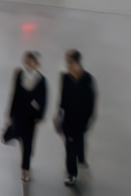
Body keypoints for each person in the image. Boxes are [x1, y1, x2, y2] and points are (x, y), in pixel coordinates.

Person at [4, 51, 47, 183]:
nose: (28, 64)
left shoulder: (41, 80)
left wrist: (39, 115)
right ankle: (13, 135)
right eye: (26, 61)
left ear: (36, 64)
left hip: (30, 117)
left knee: (27, 144)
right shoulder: (19, 75)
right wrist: (10, 112)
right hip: (18, 114)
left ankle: (25, 169)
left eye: (31, 61)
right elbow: (14, 94)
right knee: (12, 135)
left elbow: (44, 99)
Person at [56, 50, 96, 187]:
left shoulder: (88, 79)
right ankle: (71, 174)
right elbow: (62, 97)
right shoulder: (65, 77)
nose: (67, 64)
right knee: (69, 148)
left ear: (76, 62)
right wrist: (59, 113)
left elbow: (91, 100)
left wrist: (89, 118)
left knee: (79, 140)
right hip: (68, 119)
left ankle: (81, 157)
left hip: (82, 119)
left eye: (69, 61)